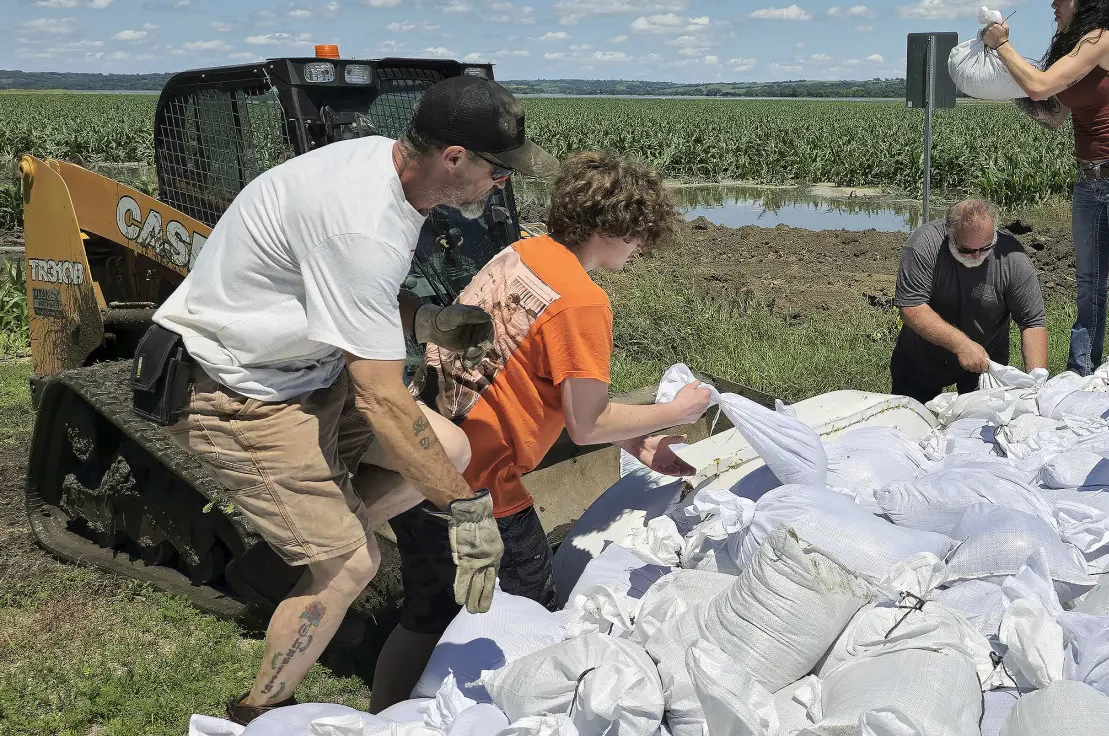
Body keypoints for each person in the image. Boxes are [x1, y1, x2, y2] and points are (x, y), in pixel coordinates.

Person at [146, 75, 559, 724]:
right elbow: (382, 403)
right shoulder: (363, 229)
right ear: (454, 158)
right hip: (238, 394)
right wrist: (471, 517)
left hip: (306, 369)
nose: (502, 184)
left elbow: (347, 293)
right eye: (497, 171)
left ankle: (302, 543)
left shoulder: (387, 173)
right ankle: (253, 712)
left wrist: (425, 322)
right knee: (351, 566)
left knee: (448, 445)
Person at [368, 151, 714, 711]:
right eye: (638, 236)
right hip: (484, 489)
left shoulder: (520, 254)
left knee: (426, 611)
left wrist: (632, 438)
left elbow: (525, 379)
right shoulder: (581, 301)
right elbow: (586, 422)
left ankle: (384, 718)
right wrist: (677, 411)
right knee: (530, 615)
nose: (641, 249)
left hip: (424, 460)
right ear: (607, 228)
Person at [982, 0, 1109, 375]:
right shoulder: (1073, 49)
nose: (1054, 6)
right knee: (1088, 286)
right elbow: (1052, 115)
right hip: (1090, 180)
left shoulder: (1103, 39)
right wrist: (999, 84)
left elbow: (1041, 83)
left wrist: (1003, 47)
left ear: (1087, 0)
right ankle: (1082, 375)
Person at [891, 198, 1048, 404]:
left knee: (981, 428)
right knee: (910, 426)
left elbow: (1032, 323)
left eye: (985, 247)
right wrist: (962, 345)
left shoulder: (1013, 258)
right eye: (966, 250)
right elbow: (912, 308)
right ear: (949, 233)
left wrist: (1038, 383)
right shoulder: (924, 246)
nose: (976, 256)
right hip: (921, 360)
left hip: (984, 363)